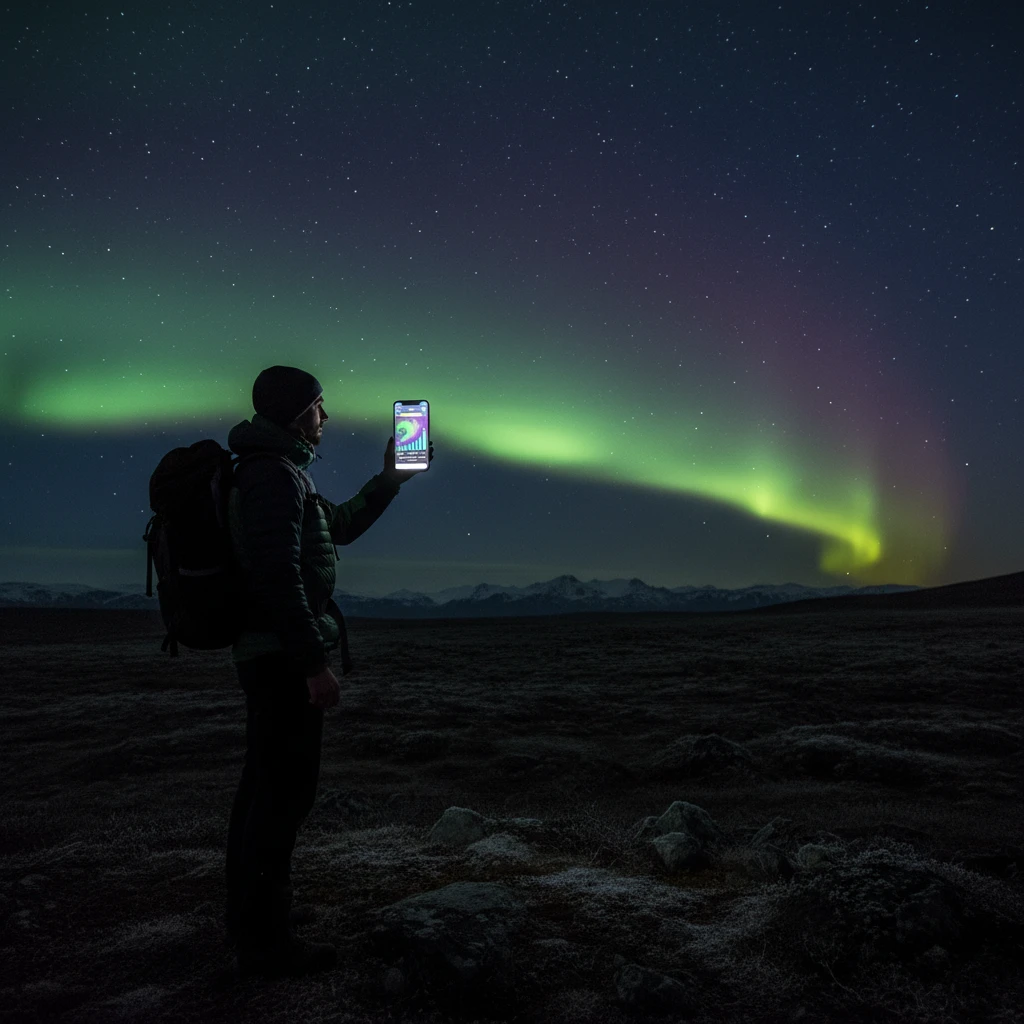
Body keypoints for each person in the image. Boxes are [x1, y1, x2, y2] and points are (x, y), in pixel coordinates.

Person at [222, 365, 432, 978]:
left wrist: (392, 479)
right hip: (280, 659)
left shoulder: (284, 473)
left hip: (274, 654)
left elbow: (337, 527)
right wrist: (313, 663)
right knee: (282, 795)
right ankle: (264, 946)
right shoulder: (271, 476)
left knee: (265, 789)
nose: (327, 416)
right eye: (318, 406)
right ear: (295, 414)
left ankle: (258, 918)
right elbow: (277, 576)